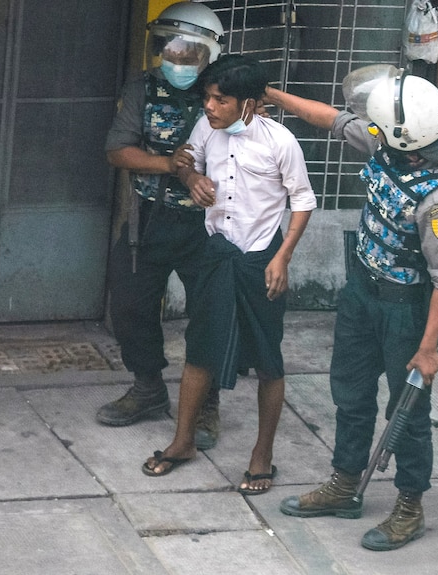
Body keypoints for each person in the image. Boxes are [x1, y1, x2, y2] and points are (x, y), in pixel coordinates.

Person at [261, 66, 438, 550]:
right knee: (350, 395)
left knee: (407, 415)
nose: (368, 124)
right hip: (361, 295)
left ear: (402, 134)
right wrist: (268, 92)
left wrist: (428, 349)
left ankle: (408, 507)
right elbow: (330, 118)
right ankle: (344, 483)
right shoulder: (385, 143)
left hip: (406, 313)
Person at [141, 54, 317, 497]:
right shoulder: (206, 130)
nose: (211, 108)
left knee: (267, 360)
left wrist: (284, 258)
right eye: (208, 99)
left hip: (261, 259)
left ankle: (262, 455)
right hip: (216, 254)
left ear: (251, 104)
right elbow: (186, 162)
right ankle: (182, 443)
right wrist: (190, 177)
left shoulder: (280, 143)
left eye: (221, 100)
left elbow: (303, 202)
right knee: (200, 348)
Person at [98, 2, 225, 450]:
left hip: (210, 226)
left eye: (188, 53)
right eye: (168, 50)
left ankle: (206, 402)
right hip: (148, 220)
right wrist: (170, 166)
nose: (176, 61)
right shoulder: (144, 89)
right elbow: (118, 150)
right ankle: (148, 387)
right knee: (130, 305)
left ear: (209, 54)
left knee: (210, 314)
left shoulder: (224, 95)